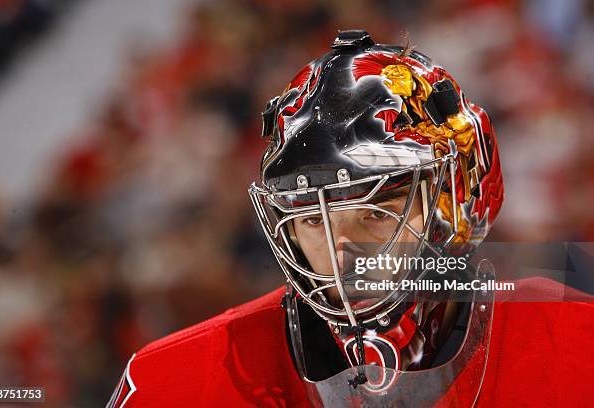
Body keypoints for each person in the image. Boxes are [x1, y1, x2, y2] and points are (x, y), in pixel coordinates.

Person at [107, 31, 593, 407]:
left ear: (455, 202)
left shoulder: (576, 342)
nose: (344, 251)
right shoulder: (176, 383)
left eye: (377, 213)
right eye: (315, 220)